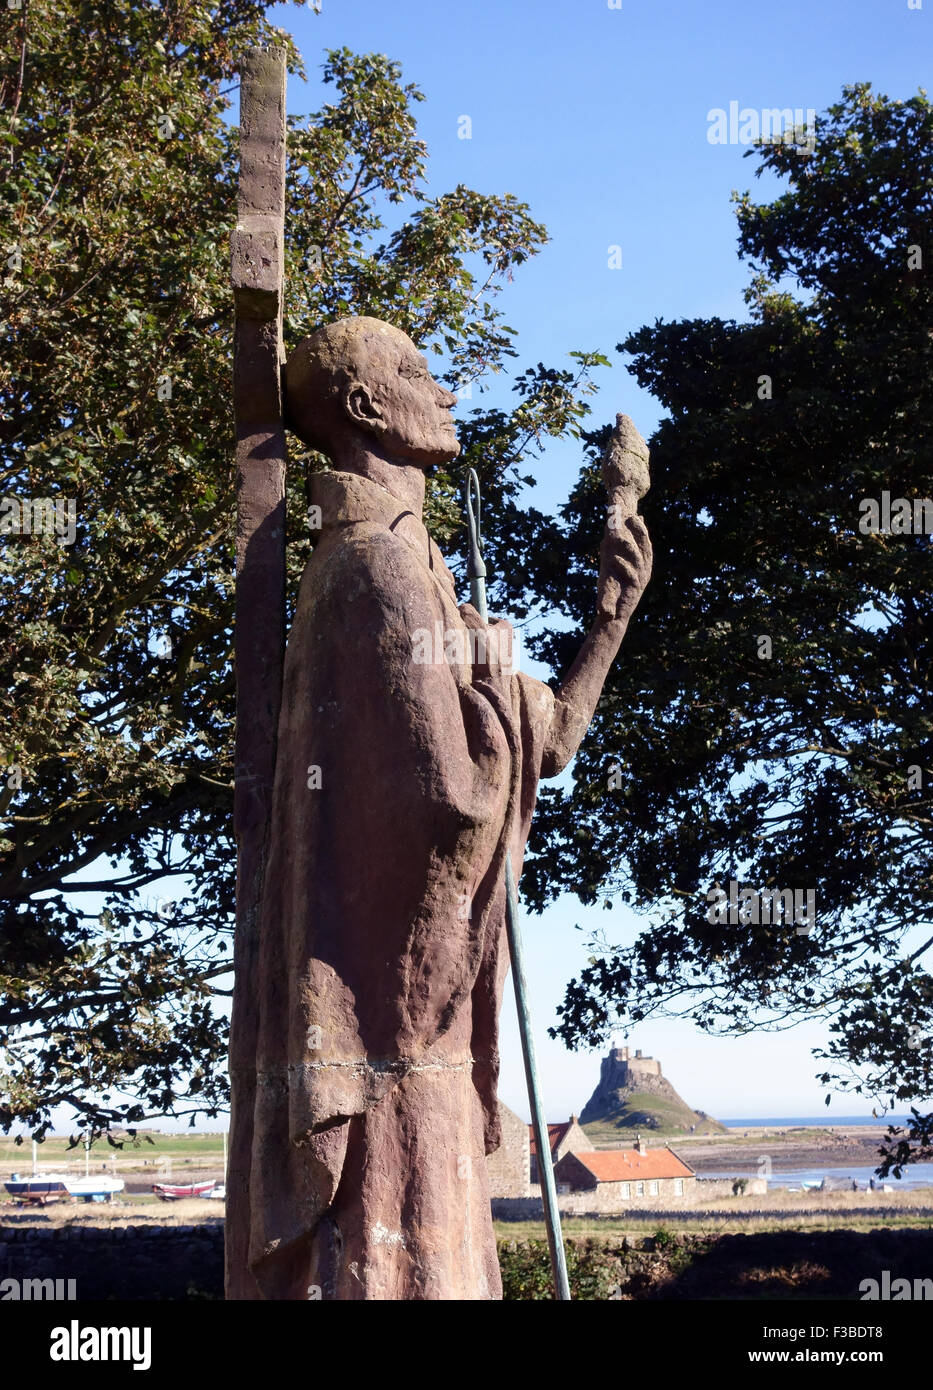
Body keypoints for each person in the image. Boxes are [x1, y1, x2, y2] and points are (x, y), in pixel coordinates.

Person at [246, 317, 652, 1299]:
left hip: (417, 1068)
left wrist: (605, 624)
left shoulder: (412, 570)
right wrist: (491, 685)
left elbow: (539, 742)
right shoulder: (379, 571)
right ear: (365, 406)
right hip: (396, 1071)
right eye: (421, 373)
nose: (448, 393)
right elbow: (450, 801)